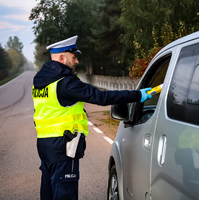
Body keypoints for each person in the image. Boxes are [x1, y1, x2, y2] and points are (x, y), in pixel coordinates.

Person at [32, 35, 152, 200]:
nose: (77, 62)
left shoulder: (40, 83)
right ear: (62, 57)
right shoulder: (65, 83)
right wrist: (137, 95)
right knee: (64, 195)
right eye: (74, 57)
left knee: (48, 193)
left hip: (45, 146)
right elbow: (100, 97)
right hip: (63, 148)